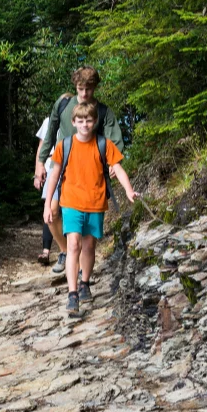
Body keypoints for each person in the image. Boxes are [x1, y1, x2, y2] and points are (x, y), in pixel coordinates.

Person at [42, 101, 137, 318]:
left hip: (95, 204)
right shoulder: (64, 145)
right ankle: (73, 293)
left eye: (89, 121)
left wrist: (129, 191)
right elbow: (54, 176)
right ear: (74, 122)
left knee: (89, 247)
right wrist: (48, 204)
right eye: (80, 121)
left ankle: (85, 283)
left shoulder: (104, 144)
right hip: (71, 203)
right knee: (73, 244)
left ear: (94, 122)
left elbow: (119, 170)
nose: (85, 125)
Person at [35, 67, 124, 274]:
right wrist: (41, 162)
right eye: (80, 89)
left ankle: (80, 264)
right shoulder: (64, 105)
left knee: (85, 228)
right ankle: (66, 252)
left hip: (89, 174)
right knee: (52, 213)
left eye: (89, 89)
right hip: (60, 167)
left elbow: (114, 142)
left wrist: (113, 164)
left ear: (95, 88)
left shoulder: (103, 112)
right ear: (75, 87)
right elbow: (50, 134)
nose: (84, 94)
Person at [34, 115, 64, 266]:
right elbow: (41, 147)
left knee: (62, 210)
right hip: (50, 165)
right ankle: (46, 250)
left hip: (67, 165)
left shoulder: (75, 119)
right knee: (50, 209)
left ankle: (64, 250)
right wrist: (37, 172)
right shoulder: (48, 121)